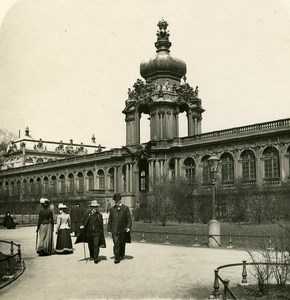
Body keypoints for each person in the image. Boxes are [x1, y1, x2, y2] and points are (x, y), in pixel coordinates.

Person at [77, 200, 106, 264]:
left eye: (96, 207)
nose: (95, 208)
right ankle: (92, 255)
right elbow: (82, 220)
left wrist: (101, 233)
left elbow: (101, 225)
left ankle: (96, 258)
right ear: (91, 207)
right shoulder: (87, 214)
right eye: (94, 207)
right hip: (89, 232)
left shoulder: (99, 215)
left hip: (97, 232)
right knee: (90, 245)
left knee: (96, 244)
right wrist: (82, 225)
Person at [107, 193, 132, 264]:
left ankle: (121, 254)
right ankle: (117, 258)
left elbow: (129, 219)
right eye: (115, 200)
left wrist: (128, 227)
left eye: (117, 200)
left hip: (122, 230)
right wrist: (109, 229)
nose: (116, 201)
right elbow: (110, 220)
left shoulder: (125, 208)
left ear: (120, 200)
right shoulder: (112, 209)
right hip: (114, 230)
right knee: (116, 244)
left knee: (122, 243)